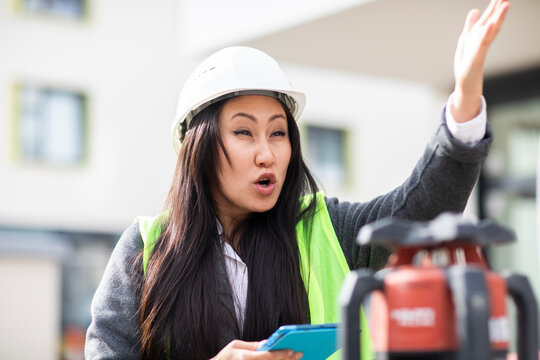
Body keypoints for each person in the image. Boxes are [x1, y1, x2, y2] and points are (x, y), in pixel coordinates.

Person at [85, 0, 510, 359]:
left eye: (278, 133)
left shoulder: (328, 229)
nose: (267, 153)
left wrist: (465, 103)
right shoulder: (144, 250)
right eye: (243, 132)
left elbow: (420, 208)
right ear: (199, 145)